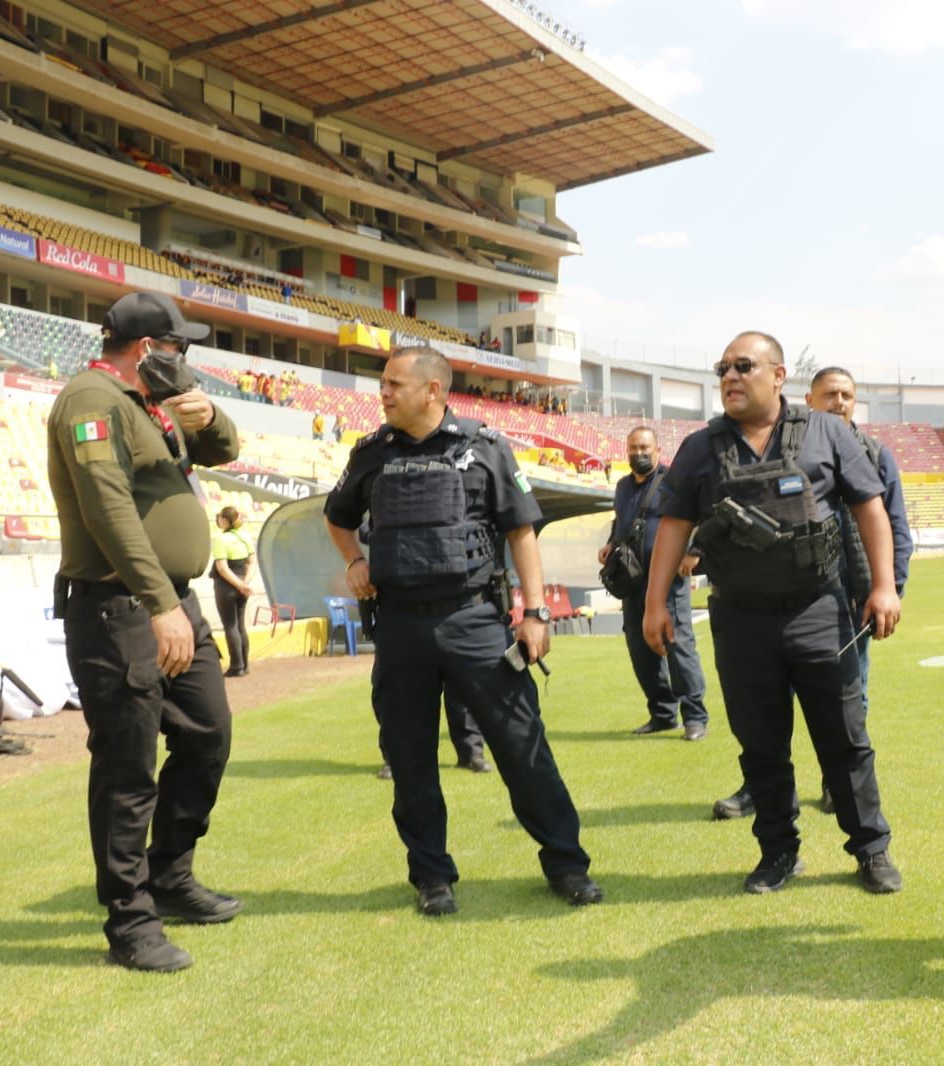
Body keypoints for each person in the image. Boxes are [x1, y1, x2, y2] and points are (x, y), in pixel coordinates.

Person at [324, 345, 600, 915]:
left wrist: (535, 614)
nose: (383, 392)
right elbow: (338, 516)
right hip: (400, 624)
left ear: (433, 390)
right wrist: (354, 560)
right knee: (410, 757)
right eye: (383, 383)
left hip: (474, 620)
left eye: (394, 383)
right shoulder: (371, 454)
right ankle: (431, 877)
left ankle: (567, 865)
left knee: (522, 747)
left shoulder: (487, 448)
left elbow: (521, 531)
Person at [643, 331, 904, 895]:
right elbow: (675, 525)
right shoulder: (700, 447)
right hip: (740, 620)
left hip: (818, 610)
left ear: (779, 375)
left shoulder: (826, 431)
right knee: (761, 745)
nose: (730, 377)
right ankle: (778, 853)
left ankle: (872, 849)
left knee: (844, 738)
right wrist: (655, 602)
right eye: (722, 369)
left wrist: (884, 585)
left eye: (744, 366)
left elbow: (869, 507)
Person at [47, 292, 243, 973]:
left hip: (171, 601)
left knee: (208, 733)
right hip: (121, 607)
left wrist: (208, 415)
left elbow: (225, 451)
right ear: (145, 348)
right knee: (128, 767)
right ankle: (129, 920)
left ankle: (170, 875)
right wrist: (159, 603)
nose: (184, 357)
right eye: (176, 346)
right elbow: (106, 507)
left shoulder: (152, 402)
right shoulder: (91, 399)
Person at [712, 365, 912, 819]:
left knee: (848, 700)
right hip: (785, 599)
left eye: (846, 395)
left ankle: (836, 784)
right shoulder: (782, 448)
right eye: (829, 395)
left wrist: (889, 587)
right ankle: (758, 787)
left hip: (852, 600)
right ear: (809, 401)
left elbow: (895, 525)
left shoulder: (876, 454)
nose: (838, 402)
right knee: (768, 702)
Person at [601, 426, 710, 740]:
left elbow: (701, 516)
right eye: (633, 448)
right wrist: (611, 543)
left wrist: (693, 552)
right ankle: (662, 714)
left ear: (658, 451)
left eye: (644, 448)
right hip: (631, 579)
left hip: (667, 579)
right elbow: (621, 521)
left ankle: (695, 717)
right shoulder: (622, 486)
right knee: (639, 648)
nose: (639, 453)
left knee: (678, 645)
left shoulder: (673, 481)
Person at [210, 506, 255, 678]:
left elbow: (222, 568)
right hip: (242, 584)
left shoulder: (221, 540)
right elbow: (251, 562)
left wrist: (238, 585)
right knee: (240, 625)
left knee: (230, 626)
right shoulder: (245, 536)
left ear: (225, 520)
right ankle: (245, 664)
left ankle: (236, 667)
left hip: (226, 587)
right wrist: (245, 583)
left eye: (220, 517)